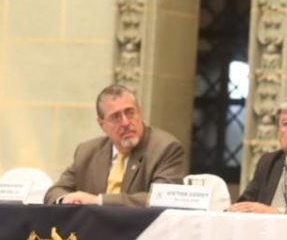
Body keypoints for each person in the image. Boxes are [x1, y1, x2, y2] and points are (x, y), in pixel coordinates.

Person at [45, 84, 185, 207]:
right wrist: (66, 199)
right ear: (102, 124)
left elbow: (162, 199)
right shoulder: (87, 151)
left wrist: (99, 201)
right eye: (116, 117)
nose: (125, 123)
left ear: (139, 112)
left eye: (130, 113)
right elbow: (55, 192)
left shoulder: (165, 148)